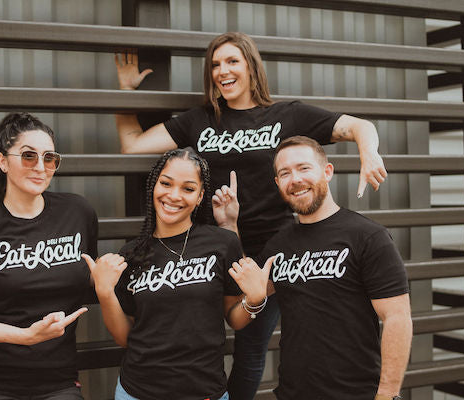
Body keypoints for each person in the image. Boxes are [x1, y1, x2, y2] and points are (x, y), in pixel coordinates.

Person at [114, 31, 388, 399]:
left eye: (231, 61)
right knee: (194, 345)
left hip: (270, 258)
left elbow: (359, 126)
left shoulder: (287, 115)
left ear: (250, 67)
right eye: (215, 64)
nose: (222, 71)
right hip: (212, 256)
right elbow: (132, 146)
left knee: (250, 351)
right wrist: (125, 94)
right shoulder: (199, 121)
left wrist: (368, 152)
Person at [84, 148, 272, 400]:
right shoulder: (130, 254)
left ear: (200, 196)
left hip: (204, 391)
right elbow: (125, 338)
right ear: (153, 186)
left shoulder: (223, 243)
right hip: (138, 392)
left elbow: (235, 320)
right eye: (166, 183)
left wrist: (255, 299)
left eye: (188, 188)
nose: (173, 195)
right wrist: (105, 292)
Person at [0, 112, 98, 400]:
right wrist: (25, 336)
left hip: (57, 381)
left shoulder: (77, 213)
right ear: (2, 162)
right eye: (28, 156)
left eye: (49, 158)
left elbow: (91, 283)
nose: (40, 167)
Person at [255, 135, 412, 399]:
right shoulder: (278, 245)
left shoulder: (367, 236)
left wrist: (387, 393)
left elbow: (397, 318)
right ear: (278, 183)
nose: (295, 179)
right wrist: (229, 226)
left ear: (327, 172)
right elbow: (248, 295)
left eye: (304, 168)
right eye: (285, 173)